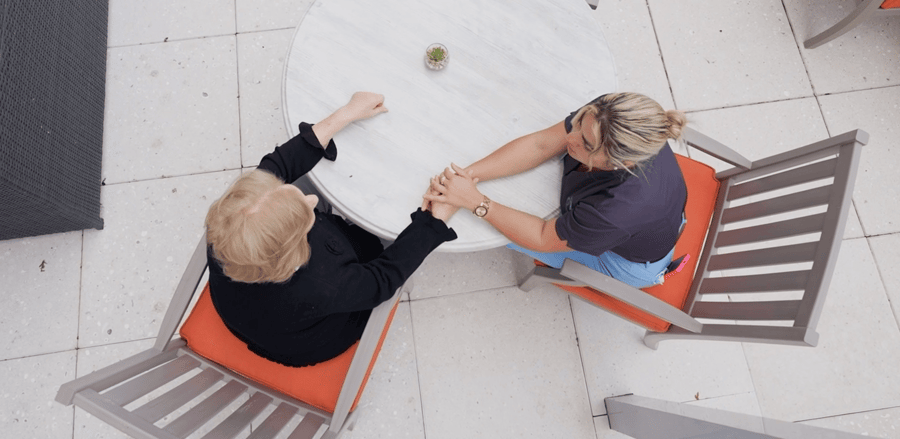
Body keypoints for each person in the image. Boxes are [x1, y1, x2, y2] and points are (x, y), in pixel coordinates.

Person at [205, 92, 458, 367]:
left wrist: (346, 113)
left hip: (243, 311)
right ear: (295, 253)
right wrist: (433, 221)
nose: (312, 201)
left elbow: (275, 167)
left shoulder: (231, 229)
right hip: (308, 340)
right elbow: (380, 281)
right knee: (381, 238)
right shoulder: (323, 284)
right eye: (306, 217)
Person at [425, 92, 687, 289]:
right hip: (651, 221)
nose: (569, 139)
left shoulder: (615, 212)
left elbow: (541, 236)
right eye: (578, 123)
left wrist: (474, 202)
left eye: (585, 143)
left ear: (622, 163)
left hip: (627, 261)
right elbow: (541, 144)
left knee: (486, 229)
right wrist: (464, 179)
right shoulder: (610, 114)